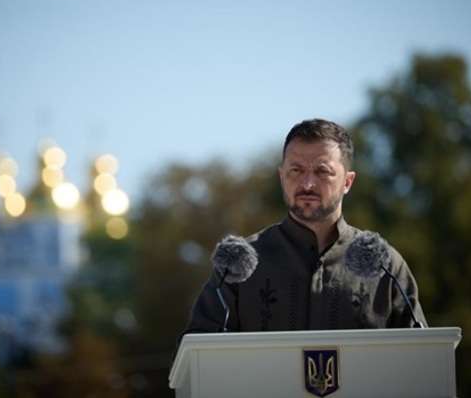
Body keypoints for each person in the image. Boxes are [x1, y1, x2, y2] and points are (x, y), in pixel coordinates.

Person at [181, 118, 427, 335]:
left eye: (322, 171)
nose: (307, 184)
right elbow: (199, 357)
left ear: (348, 182)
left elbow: (421, 356)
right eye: (296, 170)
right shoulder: (237, 266)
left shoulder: (385, 267)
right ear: (282, 177)